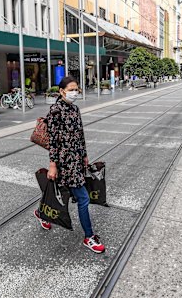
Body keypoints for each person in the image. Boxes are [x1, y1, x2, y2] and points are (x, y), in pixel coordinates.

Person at [34, 76, 105, 254]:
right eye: (72, 89)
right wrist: (52, 165)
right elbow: (54, 141)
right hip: (64, 162)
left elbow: (80, 135)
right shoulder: (56, 111)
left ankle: (42, 212)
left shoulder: (75, 109)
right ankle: (89, 237)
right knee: (83, 198)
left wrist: (85, 156)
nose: (75, 92)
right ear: (62, 91)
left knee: (59, 191)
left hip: (77, 160)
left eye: (77, 89)